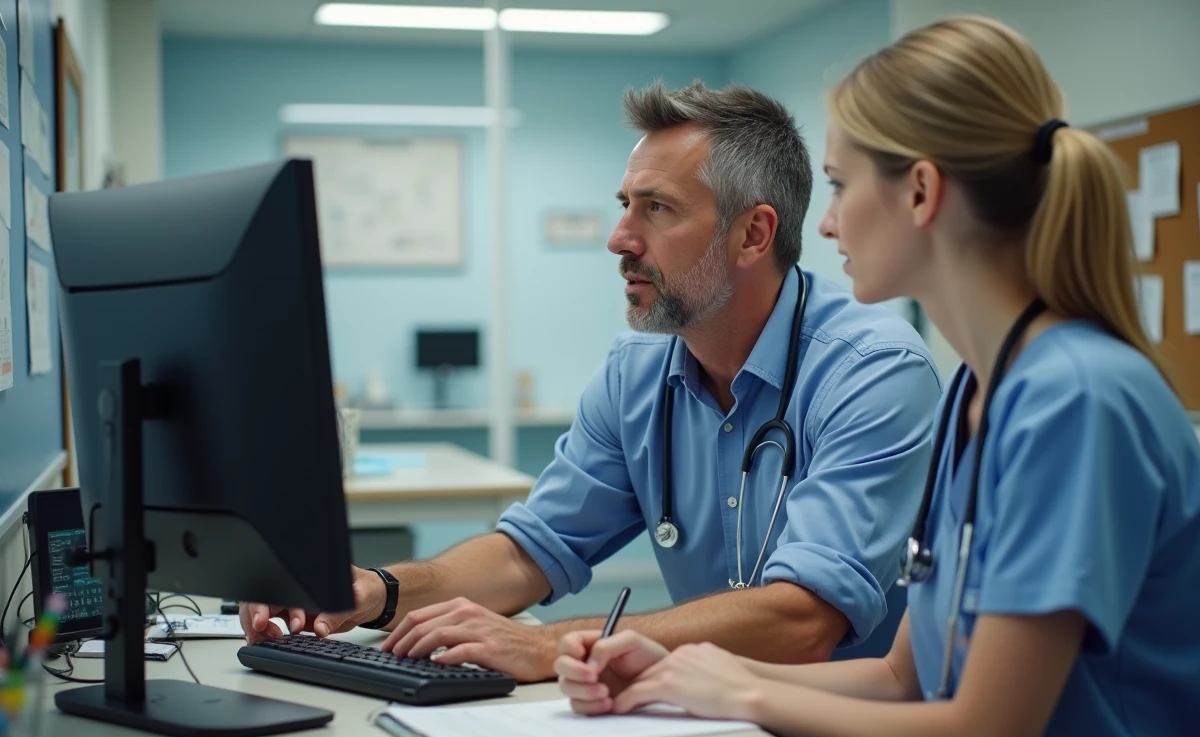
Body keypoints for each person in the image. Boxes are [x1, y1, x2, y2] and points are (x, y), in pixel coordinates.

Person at [555, 15, 1200, 737]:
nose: (825, 223)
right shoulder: (977, 391)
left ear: (920, 192)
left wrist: (742, 696)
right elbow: (903, 681)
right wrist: (680, 672)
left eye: (838, 185)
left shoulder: (1075, 400)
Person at [243, 81, 941, 683]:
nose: (619, 238)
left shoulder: (870, 371)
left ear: (754, 234)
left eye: (656, 208)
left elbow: (804, 618)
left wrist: (551, 644)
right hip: (702, 714)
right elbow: (531, 551)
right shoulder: (637, 372)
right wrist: (375, 589)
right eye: (624, 203)